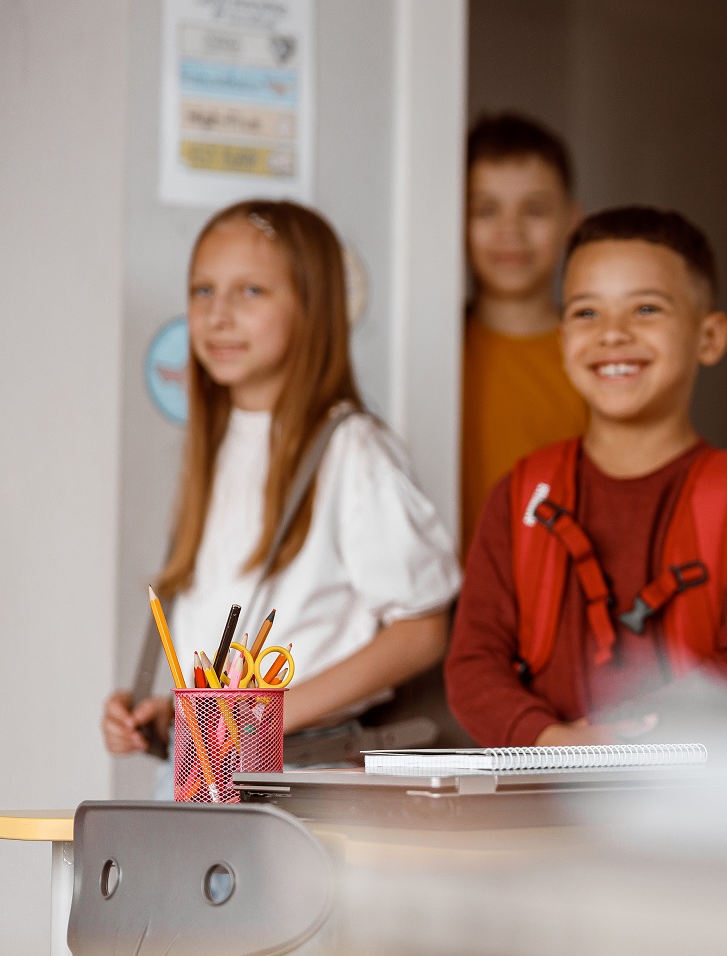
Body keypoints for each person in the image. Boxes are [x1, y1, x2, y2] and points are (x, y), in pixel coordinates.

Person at [101, 201, 462, 757]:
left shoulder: (353, 452)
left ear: (312, 308)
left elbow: (420, 632)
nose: (219, 314)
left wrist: (266, 716)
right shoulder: (215, 449)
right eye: (203, 291)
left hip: (299, 775)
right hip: (210, 767)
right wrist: (170, 713)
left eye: (251, 292)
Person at [446, 206, 727, 747]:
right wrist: (552, 740)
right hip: (538, 806)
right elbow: (473, 662)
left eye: (646, 309)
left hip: (687, 812)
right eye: (587, 313)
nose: (612, 334)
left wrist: (623, 740)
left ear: (710, 336)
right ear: (563, 338)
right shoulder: (522, 493)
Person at [462, 112, 588, 553]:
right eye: (486, 210)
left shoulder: (594, 354)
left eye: (534, 210)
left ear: (572, 220)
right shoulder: (434, 351)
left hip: (561, 600)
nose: (509, 231)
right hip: (455, 605)